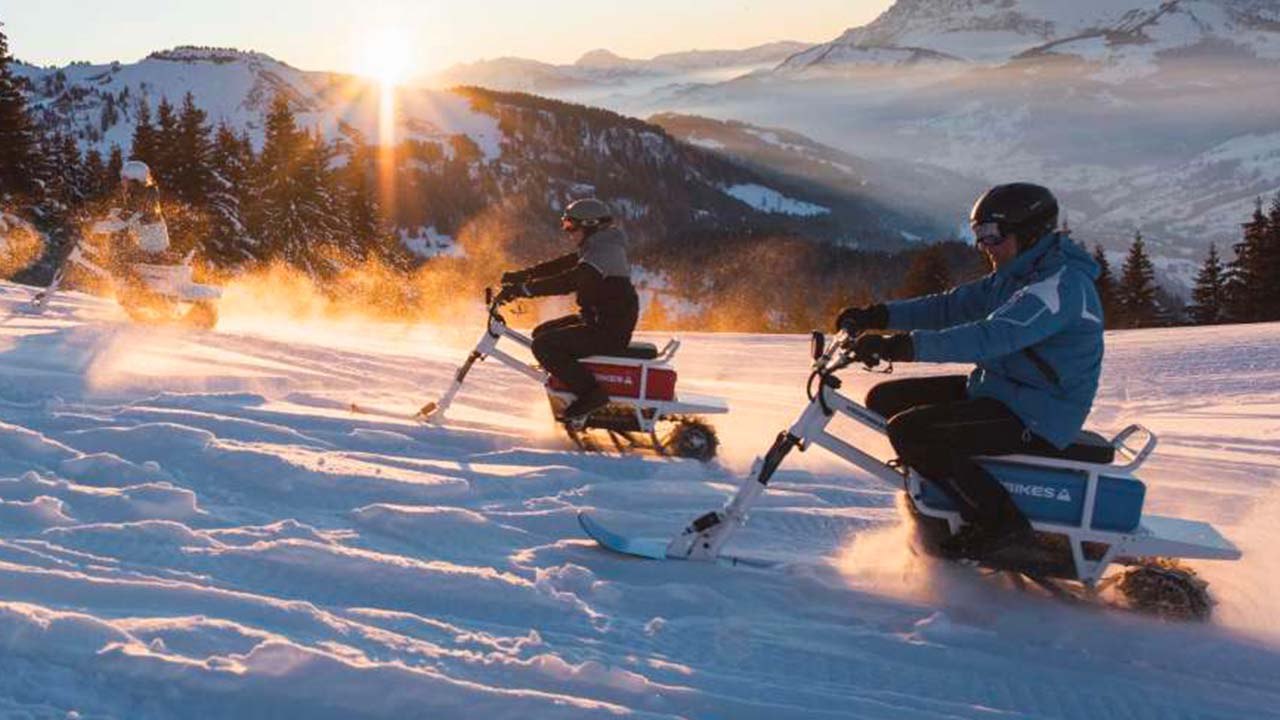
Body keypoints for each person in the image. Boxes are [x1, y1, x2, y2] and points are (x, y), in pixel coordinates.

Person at [837, 183, 1104, 561]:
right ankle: (950, 495)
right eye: (979, 235)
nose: (984, 246)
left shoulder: (1057, 286)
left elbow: (991, 338)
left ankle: (1003, 524)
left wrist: (903, 346)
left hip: (1040, 413)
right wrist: (878, 316)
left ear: (1030, 233)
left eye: (993, 235)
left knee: (911, 430)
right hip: (1003, 390)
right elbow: (951, 307)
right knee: (885, 399)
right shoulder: (1016, 272)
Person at [497, 198, 639, 421]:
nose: (568, 232)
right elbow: (563, 265)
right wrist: (523, 276)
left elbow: (569, 281)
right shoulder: (598, 245)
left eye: (571, 226)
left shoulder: (604, 252)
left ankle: (592, 394)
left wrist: (523, 290)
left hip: (607, 331)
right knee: (541, 334)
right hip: (598, 321)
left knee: (544, 345)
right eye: (566, 226)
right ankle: (567, 381)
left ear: (590, 225)